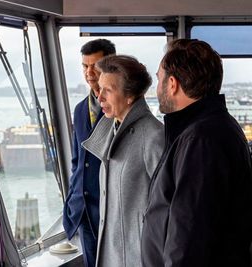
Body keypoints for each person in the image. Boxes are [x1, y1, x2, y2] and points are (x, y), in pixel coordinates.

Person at [141, 39, 252, 267]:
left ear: (172, 84)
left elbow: (189, 235)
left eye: (159, 79)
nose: (157, 87)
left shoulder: (201, 139)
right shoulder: (208, 129)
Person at [82, 55, 164, 267]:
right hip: (112, 255)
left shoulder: (154, 137)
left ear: (130, 96)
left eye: (107, 91)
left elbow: (168, 211)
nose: (99, 98)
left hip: (138, 258)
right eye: (99, 89)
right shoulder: (111, 129)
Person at [63, 39, 115, 267]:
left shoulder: (120, 108)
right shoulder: (80, 109)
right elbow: (77, 160)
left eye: (95, 65)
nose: (89, 72)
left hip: (111, 211)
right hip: (83, 210)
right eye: (85, 66)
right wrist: (71, 198)